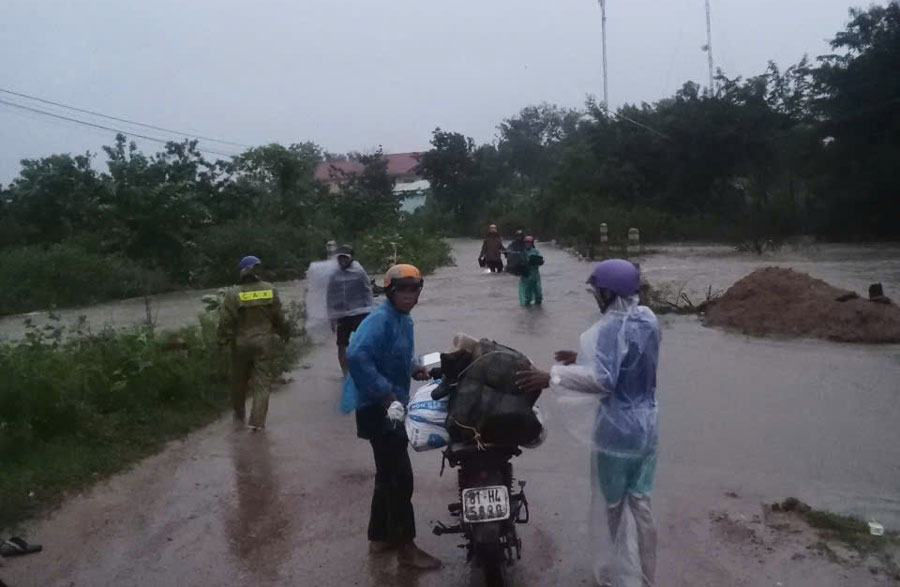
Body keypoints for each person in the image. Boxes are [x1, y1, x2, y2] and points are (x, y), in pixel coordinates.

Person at [517, 259, 660, 586]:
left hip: (617, 432)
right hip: (648, 429)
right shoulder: (649, 320)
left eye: (598, 291)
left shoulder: (609, 328)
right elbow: (630, 362)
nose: (596, 296)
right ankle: (647, 577)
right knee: (642, 507)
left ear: (608, 293)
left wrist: (552, 376)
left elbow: (604, 381)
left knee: (613, 509)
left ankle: (619, 576)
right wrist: (580, 359)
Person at [340, 264, 442, 570]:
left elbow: (395, 354)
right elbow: (357, 356)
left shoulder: (402, 319)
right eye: (403, 290)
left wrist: (415, 369)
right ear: (390, 292)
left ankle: (379, 536)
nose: (410, 296)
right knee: (400, 477)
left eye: (415, 290)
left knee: (387, 474)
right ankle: (406, 548)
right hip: (378, 408)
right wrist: (385, 396)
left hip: (394, 404)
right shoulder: (379, 319)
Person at [218, 255, 290, 431]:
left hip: (241, 343)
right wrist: (284, 333)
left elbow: (226, 321)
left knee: (238, 380)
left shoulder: (233, 294)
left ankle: (239, 413)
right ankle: (257, 422)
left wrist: (222, 341)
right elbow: (278, 317)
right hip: (263, 343)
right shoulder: (269, 290)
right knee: (262, 383)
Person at [327, 245, 375, 376]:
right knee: (341, 344)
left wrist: (371, 312)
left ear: (351, 258)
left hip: (360, 311)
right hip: (342, 313)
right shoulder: (333, 272)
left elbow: (367, 291)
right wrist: (331, 317)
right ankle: (346, 373)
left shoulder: (358, 271)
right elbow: (330, 294)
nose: (342, 261)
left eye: (345, 258)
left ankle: (368, 367)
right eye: (340, 258)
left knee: (365, 341)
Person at [519, 236, 544, 307]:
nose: (528, 244)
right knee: (527, 295)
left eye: (529, 242)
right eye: (526, 242)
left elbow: (541, 261)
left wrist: (537, 261)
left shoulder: (536, 251)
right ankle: (528, 310)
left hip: (535, 274)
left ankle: (538, 309)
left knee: (538, 293)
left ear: (532, 243)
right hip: (525, 275)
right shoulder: (521, 252)